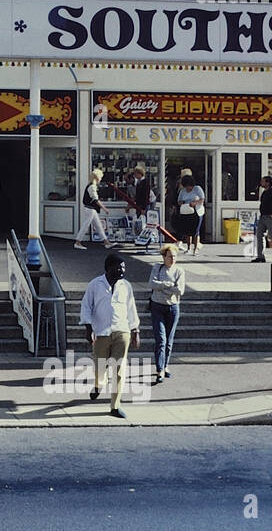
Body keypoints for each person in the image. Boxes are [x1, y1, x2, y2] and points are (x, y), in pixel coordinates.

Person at [80, 253, 141, 419]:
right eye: (119, 267)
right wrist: (87, 327)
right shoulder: (95, 284)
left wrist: (135, 330)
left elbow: (131, 308)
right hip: (101, 332)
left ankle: (115, 406)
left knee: (119, 369)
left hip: (122, 331)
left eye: (124, 268)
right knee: (100, 366)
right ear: (109, 268)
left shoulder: (126, 286)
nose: (122, 270)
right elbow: (86, 306)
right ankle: (99, 384)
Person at [148, 244, 186, 385]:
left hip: (173, 307)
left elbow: (180, 290)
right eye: (170, 256)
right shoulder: (157, 268)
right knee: (161, 340)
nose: (172, 259)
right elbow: (151, 284)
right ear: (164, 257)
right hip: (157, 306)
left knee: (169, 341)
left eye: (175, 256)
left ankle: (165, 365)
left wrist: (162, 287)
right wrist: (168, 285)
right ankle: (159, 370)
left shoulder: (179, 271)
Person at [73, 168, 115, 251]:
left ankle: (106, 242)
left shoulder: (91, 185)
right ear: (97, 178)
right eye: (100, 177)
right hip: (90, 209)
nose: (101, 179)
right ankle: (77, 242)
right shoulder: (92, 187)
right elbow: (95, 200)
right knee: (86, 225)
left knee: (98, 226)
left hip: (90, 209)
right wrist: (104, 208)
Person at [177, 172, 206, 255]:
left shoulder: (197, 189)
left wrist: (195, 202)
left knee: (196, 231)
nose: (187, 188)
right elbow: (179, 201)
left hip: (197, 212)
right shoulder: (182, 191)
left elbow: (202, 199)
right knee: (187, 231)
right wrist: (182, 202)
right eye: (185, 186)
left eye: (189, 186)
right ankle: (188, 248)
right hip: (186, 212)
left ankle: (195, 249)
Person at [253, 176, 272, 262]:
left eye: (263, 181)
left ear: (268, 183)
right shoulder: (264, 192)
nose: (261, 183)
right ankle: (260, 256)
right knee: (260, 235)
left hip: (269, 216)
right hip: (263, 216)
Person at [128, 165, 155, 237]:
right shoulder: (139, 182)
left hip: (144, 204)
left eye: (136, 174)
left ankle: (147, 236)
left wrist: (143, 208)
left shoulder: (145, 182)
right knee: (140, 220)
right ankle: (139, 235)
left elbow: (145, 196)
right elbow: (138, 195)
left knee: (145, 220)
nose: (135, 175)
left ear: (140, 173)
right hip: (140, 204)